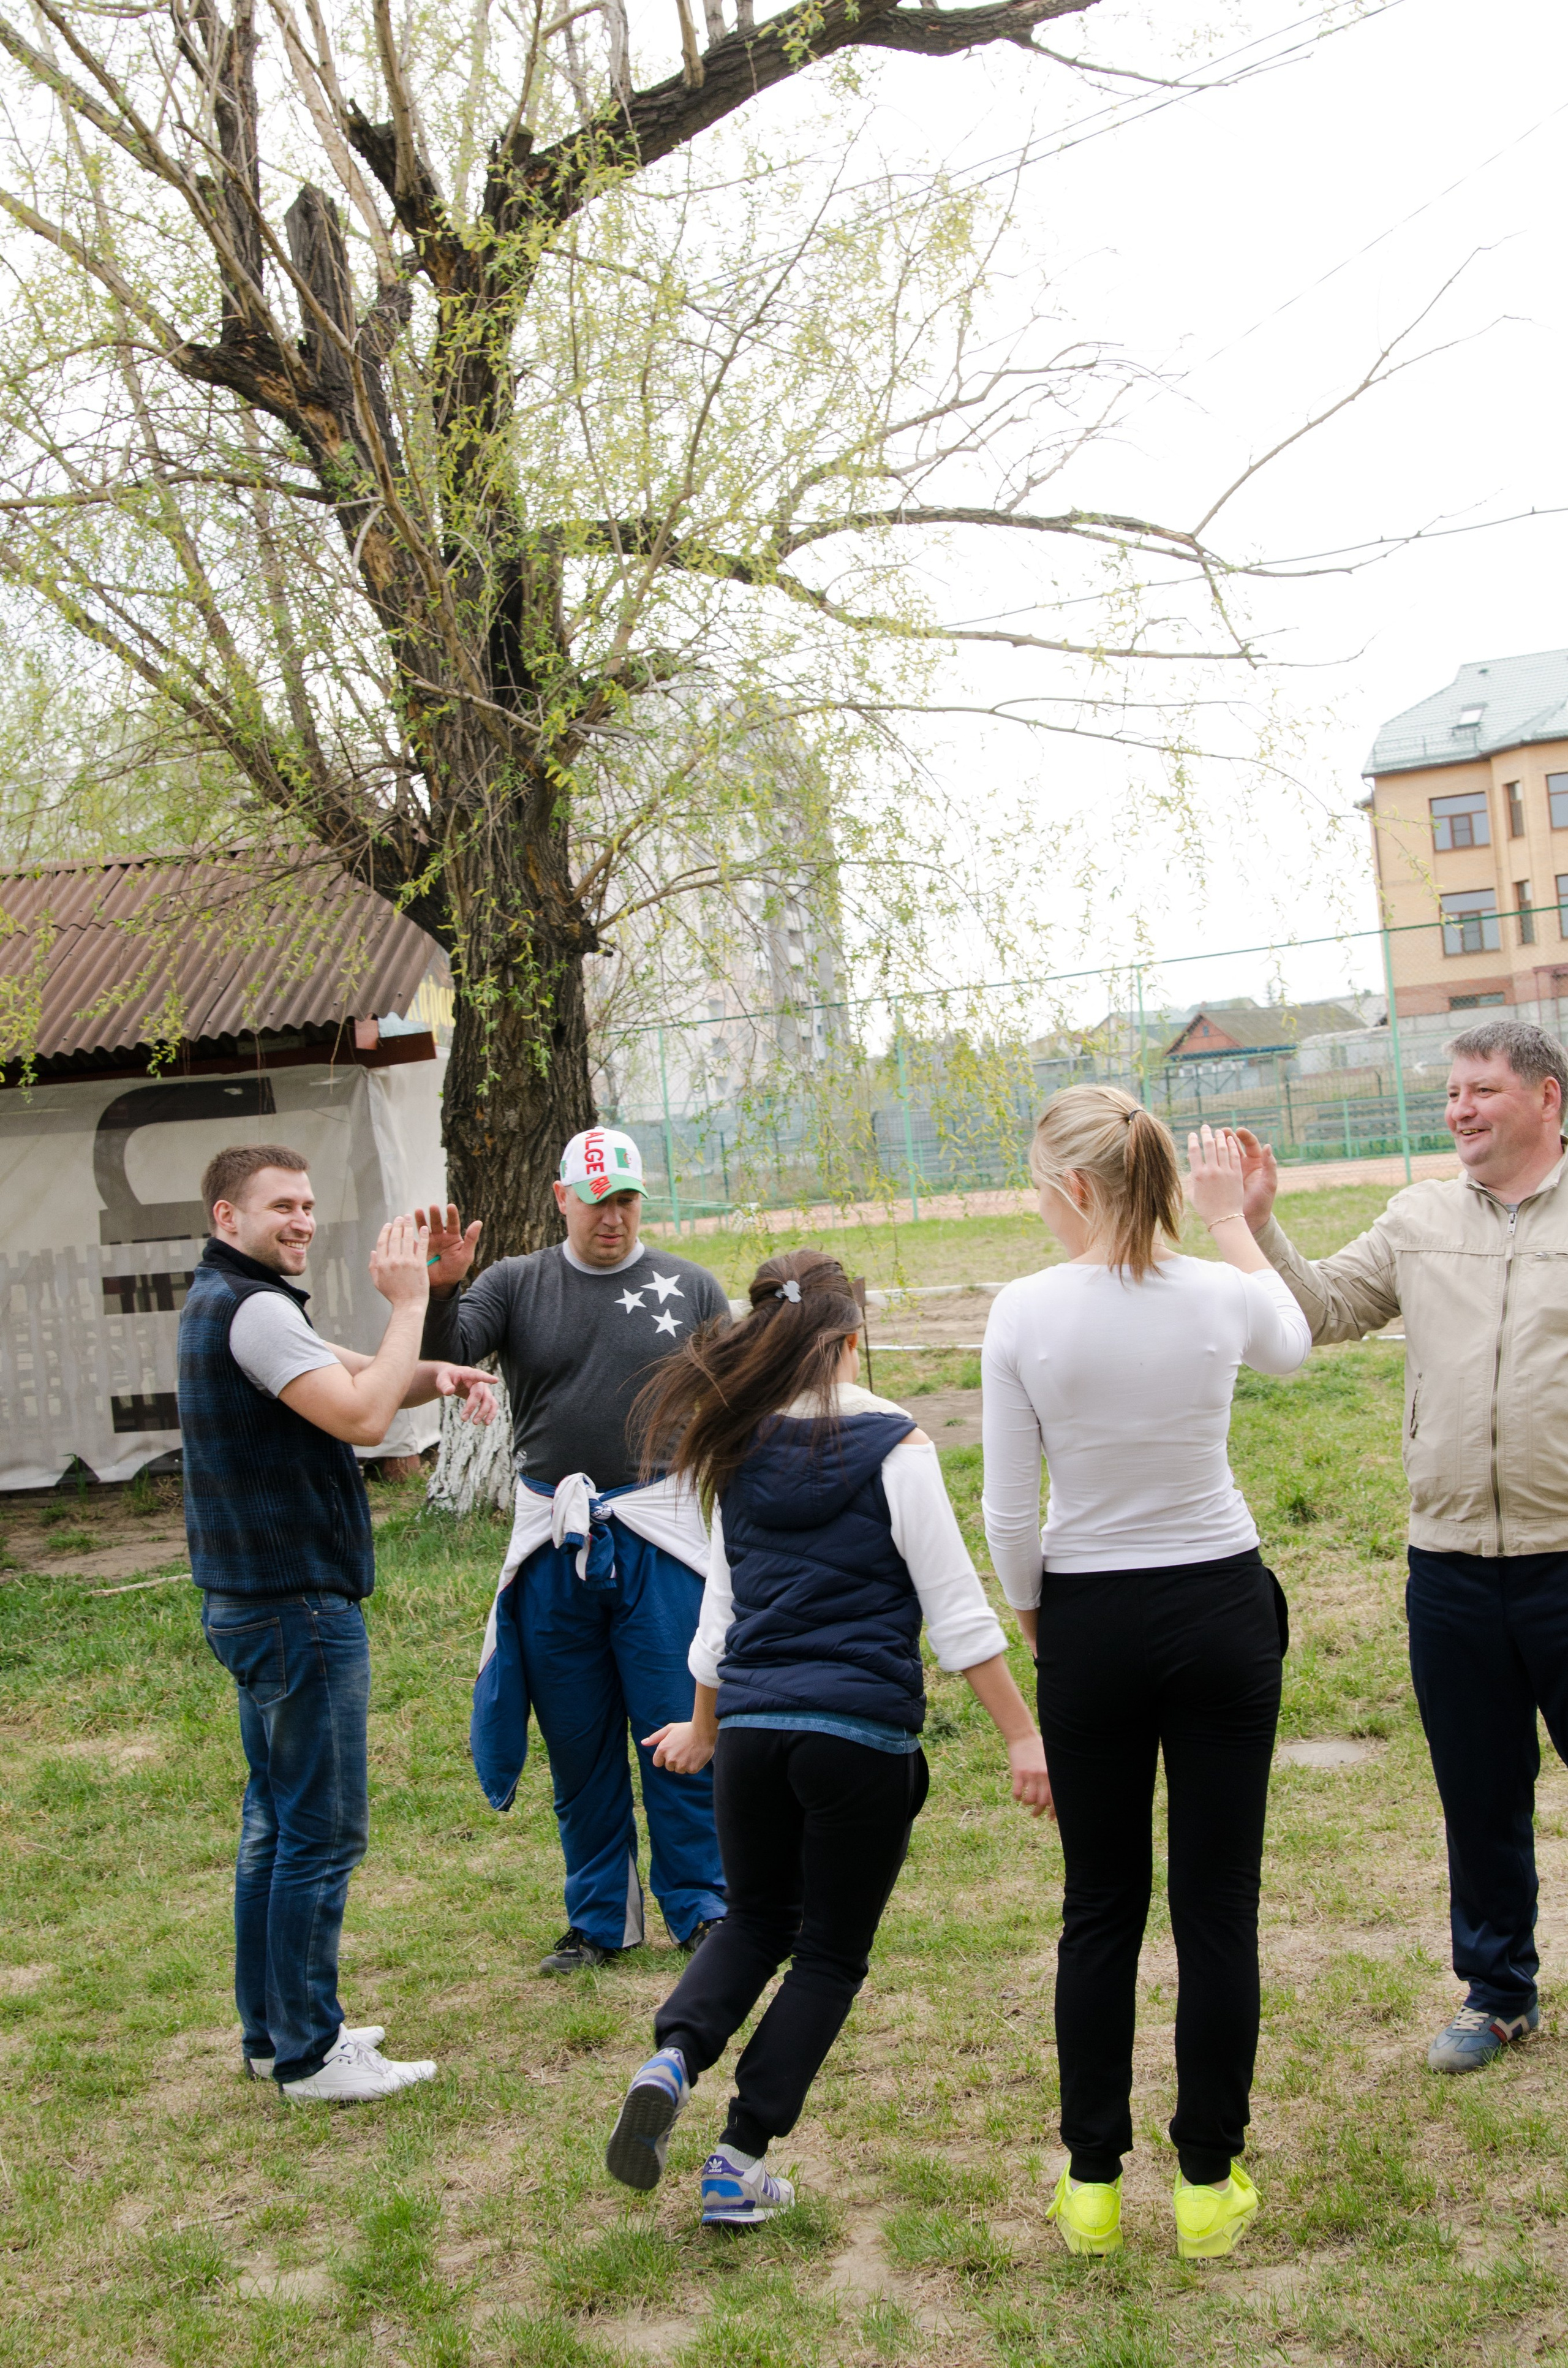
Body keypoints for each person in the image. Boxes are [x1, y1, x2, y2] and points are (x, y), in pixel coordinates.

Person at [603, 1249, 1052, 2228]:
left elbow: (719, 1612)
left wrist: (705, 1724)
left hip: (755, 1735)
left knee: (756, 1921)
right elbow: (958, 1611)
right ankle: (737, 2159)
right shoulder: (898, 1445)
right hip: (855, 1737)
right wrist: (1024, 1736)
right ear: (853, 1339)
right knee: (829, 1955)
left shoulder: (737, 1443)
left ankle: (671, 2057)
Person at [981, 1092, 1310, 2260]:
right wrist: (1233, 1225)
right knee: (1217, 1905)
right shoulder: (1221, 1287)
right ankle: (1210, 2185)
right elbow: (1297, 1342)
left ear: (1072, 1187)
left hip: (1093, 1615)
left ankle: (1092, 2186)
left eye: (1036, 1179)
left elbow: (1009, 1511)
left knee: (1100, 1906)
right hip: (1220, 1602)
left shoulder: (1022, 1309)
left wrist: (1039, 1617)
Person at [1235, 1015, 1568, 2075]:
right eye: (1453, 1092)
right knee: (1479, 1788)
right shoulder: (1418, 1218)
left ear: (1547, 1097)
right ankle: (1498, 1991)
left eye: (1482, 1090)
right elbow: (1325, 1308)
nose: (1460, 1109)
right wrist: (1259, 1225)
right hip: (1453, 1565)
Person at [178, 1144, 496, 2104]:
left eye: (310, 1203)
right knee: (318, 1830)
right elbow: (360, 1412)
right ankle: (313, 2055)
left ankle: (277, 2035)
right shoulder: (257, 1309)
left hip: (252, 1605)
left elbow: (354, 1374)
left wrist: (435, 1366)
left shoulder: (228, 1302)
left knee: (274, 1827)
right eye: (281, 1205)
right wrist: (408, 1305)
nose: (304, 1219)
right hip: (296, 1610)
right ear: (226, 1218)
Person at [418, 1126, 733, 1975]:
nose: (615, 1218)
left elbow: (735, 1403)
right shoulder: (517, 1284)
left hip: (660, 1537)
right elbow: (444, 1356)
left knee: (677, 1726)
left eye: (628, 1200)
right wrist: (442, 1290)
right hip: (559, 1543)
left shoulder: (691, 1286)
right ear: (563, 1197)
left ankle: (704, 1906)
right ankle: (600, 1918)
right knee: (578, 1737)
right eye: (598, 1202)